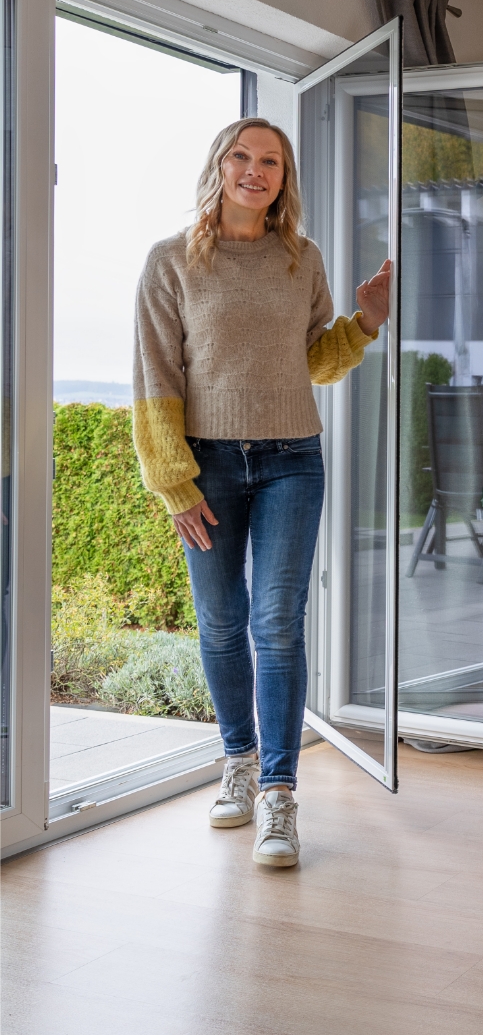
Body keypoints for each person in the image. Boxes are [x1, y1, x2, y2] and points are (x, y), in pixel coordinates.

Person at [132, 117, 390, 868]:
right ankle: (237, 764)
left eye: (270, 161)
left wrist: (365, 323)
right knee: (220, 623)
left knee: (277, 624)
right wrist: (173, 482)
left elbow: (314, 361)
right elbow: (155, 377)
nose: (255, 170)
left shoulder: (299, 257)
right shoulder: (169, 262)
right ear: (219, 166)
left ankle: (279, 795)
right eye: (242, 156)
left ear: (284, 177)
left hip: (290, 461)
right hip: (207, 468)